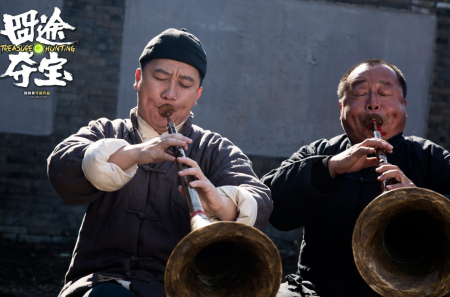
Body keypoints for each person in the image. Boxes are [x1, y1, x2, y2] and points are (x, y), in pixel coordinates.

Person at [47, 28, 272, 297]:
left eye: (185, 85)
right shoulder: (105, 131)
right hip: (99, 282)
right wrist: (135, 154)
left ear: (197, 94)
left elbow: (261, 199)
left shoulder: (215, 148)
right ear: (138, 79)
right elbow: (61, 168)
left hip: (180, 288)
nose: (170, 93)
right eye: (161, 78)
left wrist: (219, 202)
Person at [261, 59, 450, 297]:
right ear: (341, 107)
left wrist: (420, 200)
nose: (373, 104)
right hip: (316, 290)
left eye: (385, 93)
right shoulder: (318, 152)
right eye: (360, 94)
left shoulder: (431, 157)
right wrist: (330, 168)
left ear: (404, 106)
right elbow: (269, 205)